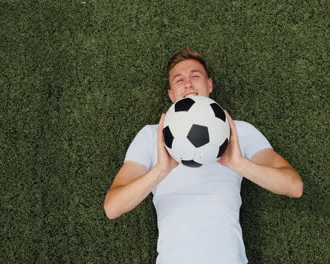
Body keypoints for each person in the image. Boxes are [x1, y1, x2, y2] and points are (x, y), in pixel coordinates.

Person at [104, 48, 303, 264]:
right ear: (171, 94)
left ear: (209, 85)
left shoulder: (239, 131)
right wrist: (161, 170)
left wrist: (239, 164)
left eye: (195, 76)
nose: (188, 83)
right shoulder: (151, 136)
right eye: (179, 80)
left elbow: (294, 187)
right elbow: (113, 207)